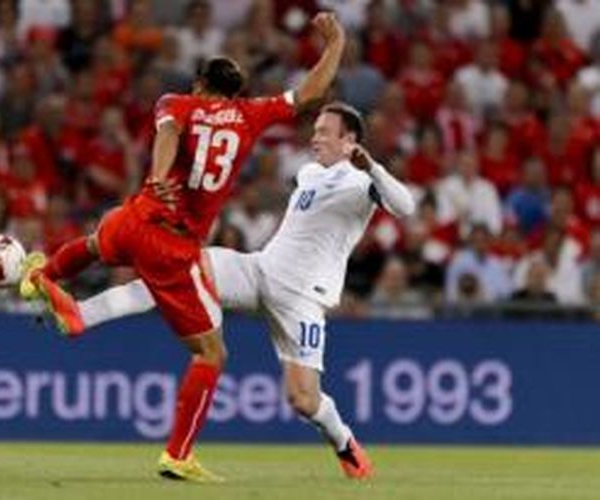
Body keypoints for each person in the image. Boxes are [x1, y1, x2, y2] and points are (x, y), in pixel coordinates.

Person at [19, 13, 347, 482]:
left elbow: (168, 132)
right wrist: (335, 42)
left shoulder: (176, 102)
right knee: (211, 354)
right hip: (173, 244)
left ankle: (41, 278)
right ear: (235, 92)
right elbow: (313, 92)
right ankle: (177, 454)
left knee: (95, 241)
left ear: (199, 84)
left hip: (136, 215)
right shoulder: (252, 114)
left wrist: (156, 177)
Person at [37, 102, 415, 480]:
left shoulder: (362, 183)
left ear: (349, 140)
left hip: (301, 299)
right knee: (178, 270)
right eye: (314, 129)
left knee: (303, 400)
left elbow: (405, 205)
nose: (314, 137)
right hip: (260, 270)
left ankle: (347, 446)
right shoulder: (310, 173)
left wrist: (373, 168)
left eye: (324, 131)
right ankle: (81, 314)